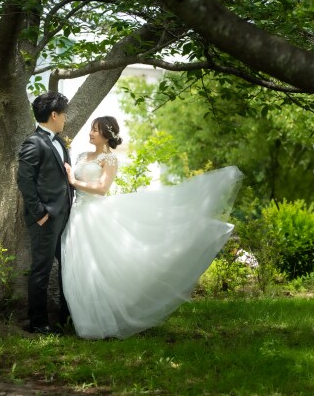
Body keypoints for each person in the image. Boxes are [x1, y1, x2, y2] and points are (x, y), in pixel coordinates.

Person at [61, 116, 242, 339]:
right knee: (80, 266)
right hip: (78, 215)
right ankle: (87, 319)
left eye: (95, 130)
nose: (90, 133)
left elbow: (102, 188)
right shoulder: (81, 156)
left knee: (101, 267)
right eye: (91, 129)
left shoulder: (110, 159)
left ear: (106, 135)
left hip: (95, 214)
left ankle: (104, 320)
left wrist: (74, 181)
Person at [16, 91, 74, 335]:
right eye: (64, 114)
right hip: (45, 219)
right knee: (42, 269)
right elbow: (24, 180)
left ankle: (68, 318)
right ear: (54, 115)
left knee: (68, 267)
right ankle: (38, 323)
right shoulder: (34, 142)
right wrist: (40, 213)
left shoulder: (58, 142)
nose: (65, 119)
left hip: (65, 216)